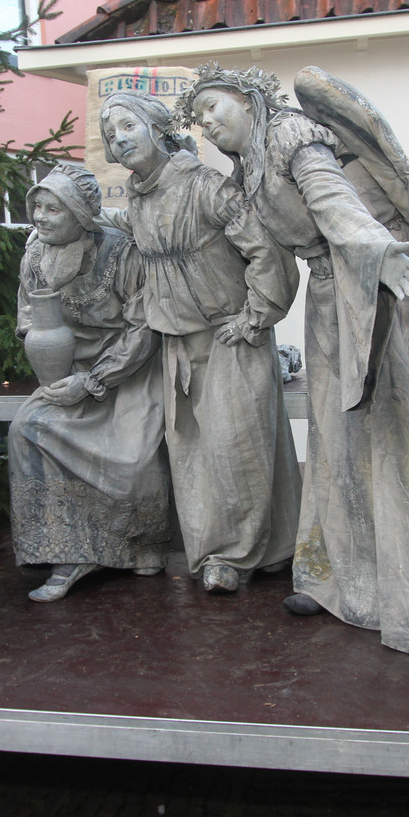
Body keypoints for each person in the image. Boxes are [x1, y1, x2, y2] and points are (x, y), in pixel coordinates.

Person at [181, 64, 409, 655]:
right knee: (337, 434)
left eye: (212, 106)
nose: (206, 122)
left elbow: (334, 199)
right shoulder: (248, 172)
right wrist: (254, 315)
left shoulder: (291, 134)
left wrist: (378, 252)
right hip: (330, 291)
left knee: (395, 430)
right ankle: (340, 580)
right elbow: (266, 257)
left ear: (248, 99)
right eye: (198, 118)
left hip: (385, 284)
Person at [99, 90, 301, 593]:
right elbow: (133, 231)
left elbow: (266, 250)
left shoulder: (206, 187)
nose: (119, 139)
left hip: (228, 338)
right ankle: (239, 551)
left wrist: (256, 316)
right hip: (177, 342)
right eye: (110, 134)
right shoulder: (140, 198)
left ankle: (238, 555)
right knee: (194, 455)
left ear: (156, 128)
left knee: (239, 450)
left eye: (127, 126)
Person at [7, 163, 171, 601]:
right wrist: (37, 338)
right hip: (64, 368)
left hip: (128, 368)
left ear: (80, 214)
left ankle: (139, 546)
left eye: (53, 209)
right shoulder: (35, 254)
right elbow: (26, 312)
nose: (40, 217)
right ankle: (66, 550)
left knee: (132, 458)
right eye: (37, 206)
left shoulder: (123, 253)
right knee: (28, 430)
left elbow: (144, 329)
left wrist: (94, 380)